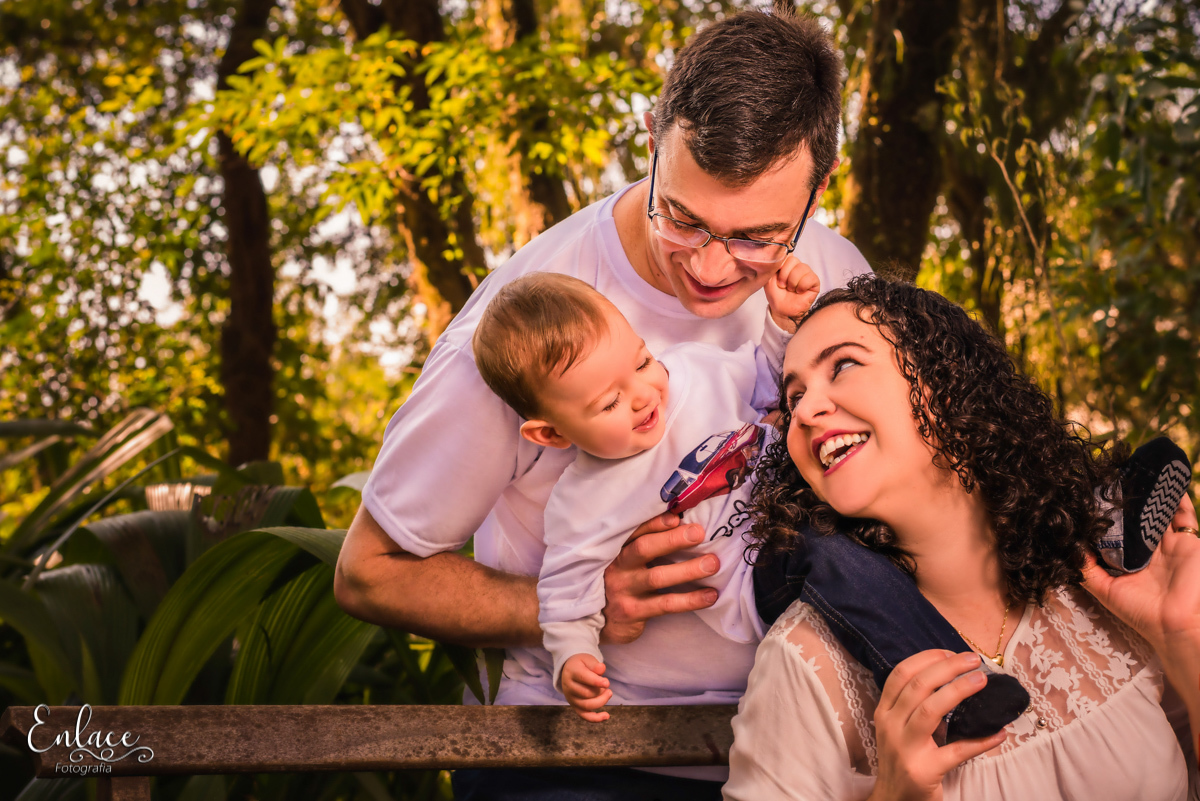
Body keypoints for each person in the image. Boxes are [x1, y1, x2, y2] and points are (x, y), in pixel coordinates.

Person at [335, 10, 870, 798]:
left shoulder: (835, 274)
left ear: (819, 189)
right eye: (683, 218)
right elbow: (369, 574)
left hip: (793, 746)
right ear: (652, 138)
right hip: (579, 756)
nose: (716, 268)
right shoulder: (519, 332)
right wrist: (581, 605)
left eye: (757, 235)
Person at [723, 275, 1200, 801]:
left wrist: (1183, 640)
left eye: (844, 365)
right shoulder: (807, 663)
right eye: (794, 399)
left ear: (947, 383)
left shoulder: (1107, 598)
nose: (806, 411)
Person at [472, 271, 810, 720]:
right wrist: (574, 655)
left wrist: (782, 324)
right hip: (760, 575)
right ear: (551, 433)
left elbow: (767, 377)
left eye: (641, 362)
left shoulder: (693, 369)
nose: (643, 395)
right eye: (609, 403)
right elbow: (567, 591)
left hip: (808, 504)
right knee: (844, 569)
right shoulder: (585, 501)